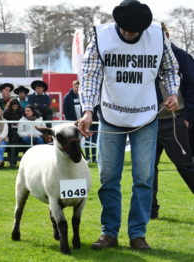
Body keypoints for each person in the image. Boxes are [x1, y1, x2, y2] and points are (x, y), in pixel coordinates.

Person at [78, 0, 179, 251]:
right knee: (108, 177)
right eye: (125, 29)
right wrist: (88, 111)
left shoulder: (157, 37)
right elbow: (90, 76)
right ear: (117, 24)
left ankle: (138, 234)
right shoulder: (101, 38)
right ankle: (109, 232)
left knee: (144, 178)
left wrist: (173, 92)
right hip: (111, 114)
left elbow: (170, 68)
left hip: (145, 115)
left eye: (135, 31)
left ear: (144, 28)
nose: (129, 33)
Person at [151, 22, 194, 219]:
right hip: (148, 122)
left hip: (174, 121)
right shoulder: (147, 55)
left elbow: (193, 87)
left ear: (166, 34)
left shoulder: (182, 57)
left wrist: (186, 118)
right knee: (147, 168)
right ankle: (150, 211)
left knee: (185, 165)